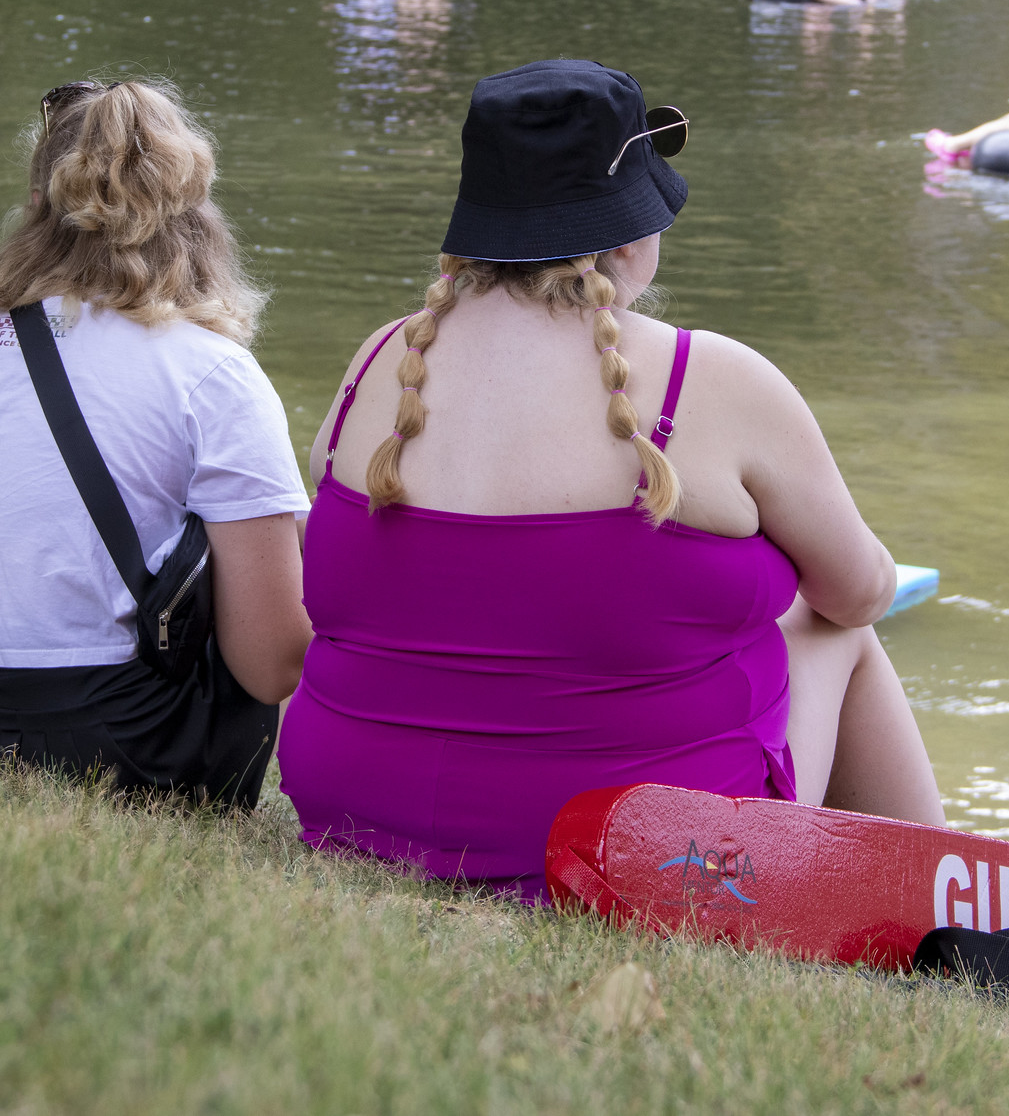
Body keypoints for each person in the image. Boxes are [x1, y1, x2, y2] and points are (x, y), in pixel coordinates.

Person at [280, 59, 946, 900]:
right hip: (652, 860)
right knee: (834, 627)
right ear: (631, 236)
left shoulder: (379, 361)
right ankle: (934, 910)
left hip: (359, 821)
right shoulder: (710, 380)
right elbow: (860, 592)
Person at [0, 79, 312, 795]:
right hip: (106, 743)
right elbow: (270, 665)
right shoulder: (213, 371)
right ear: (194, 214)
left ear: (36, 204)